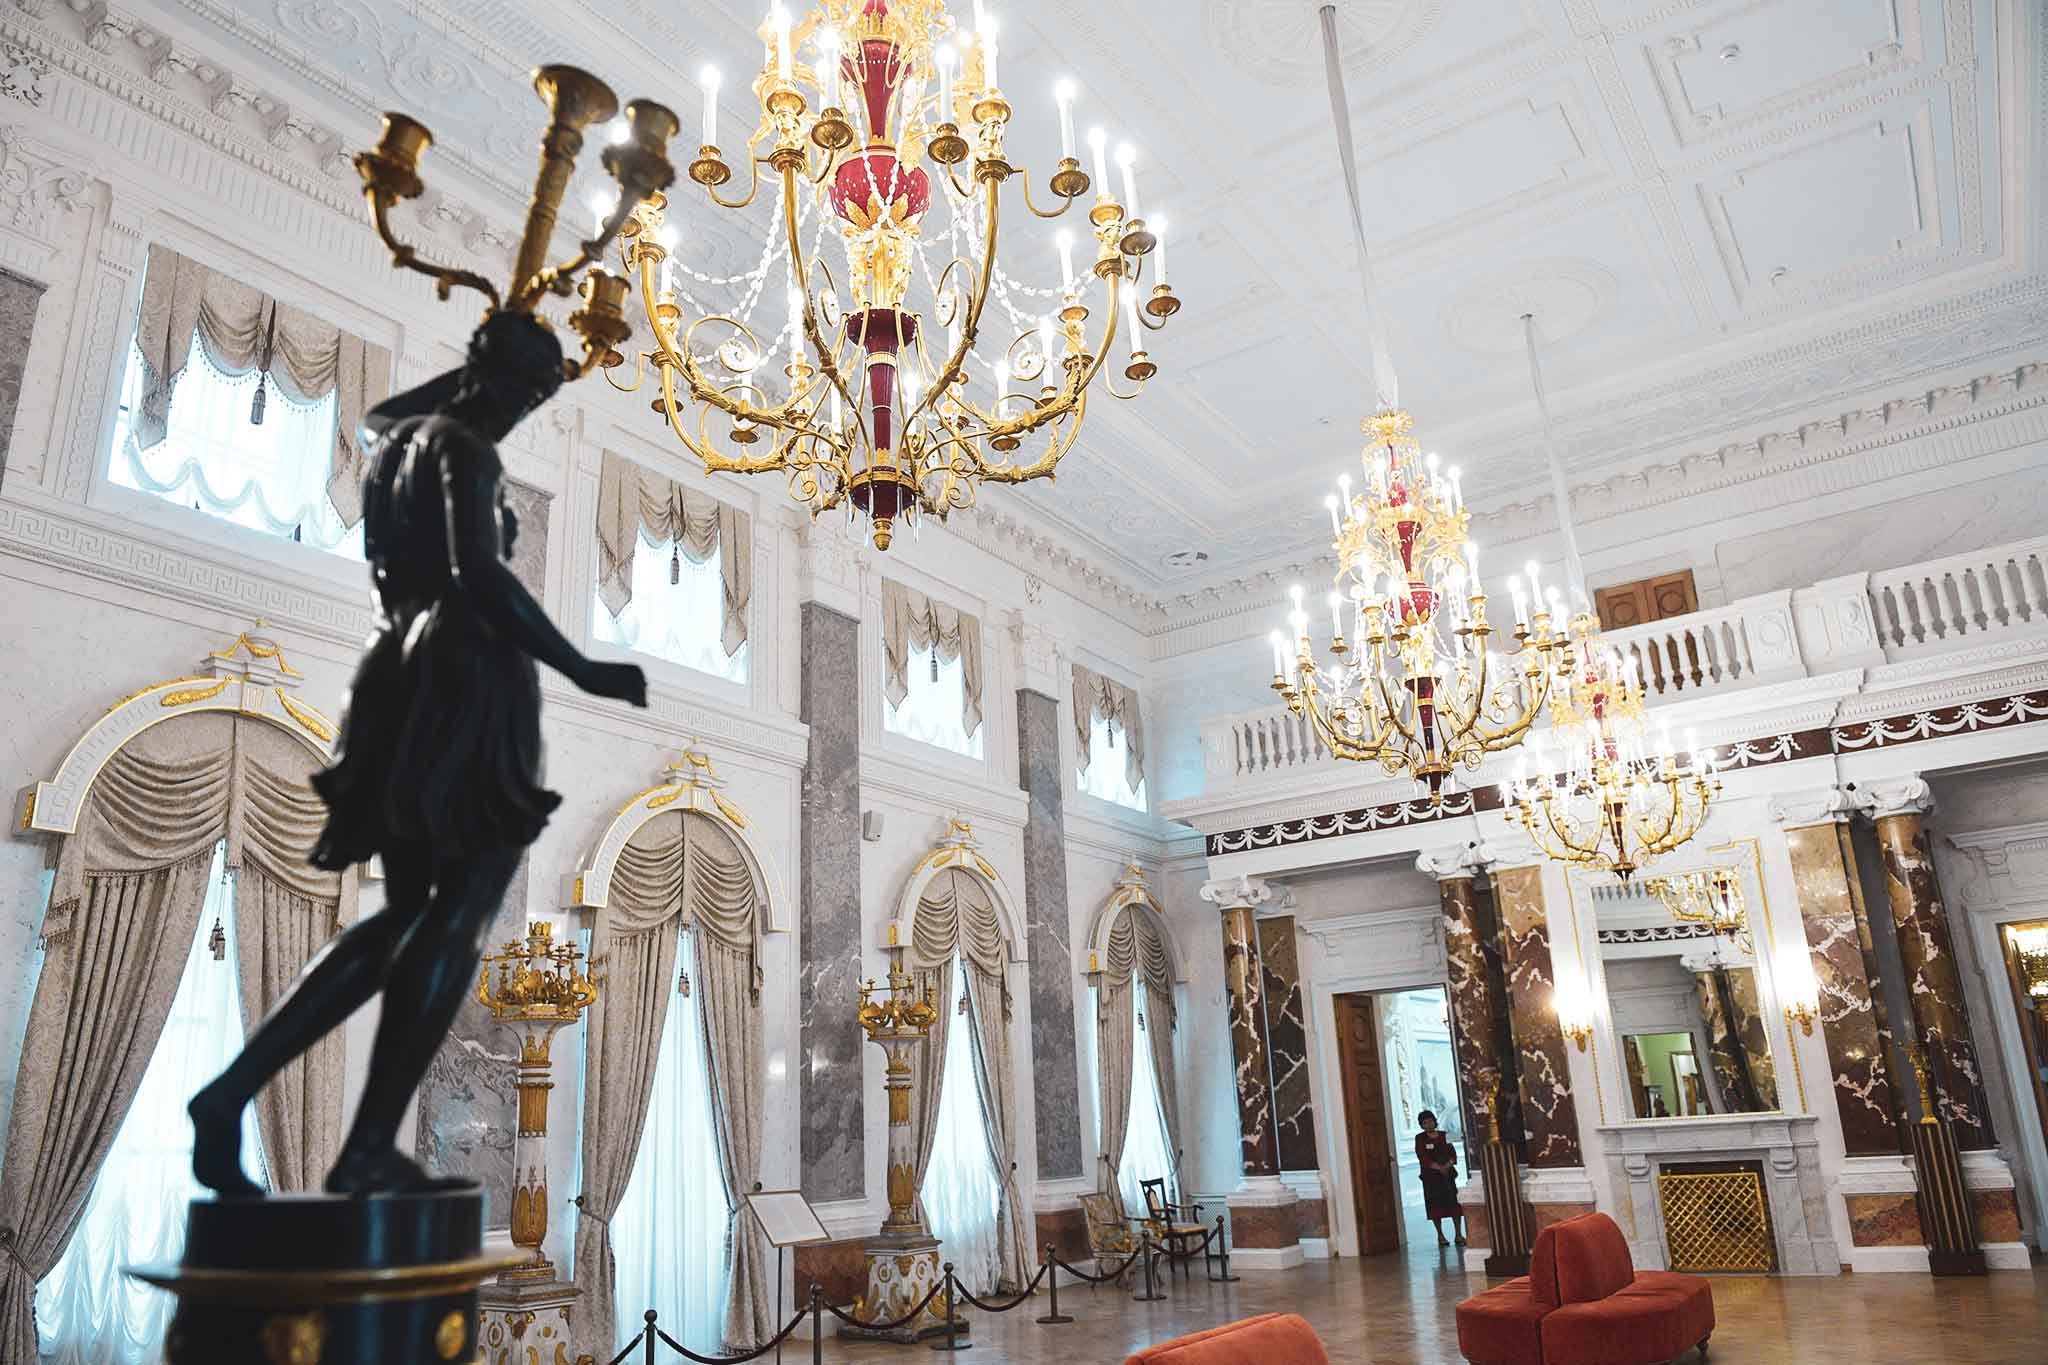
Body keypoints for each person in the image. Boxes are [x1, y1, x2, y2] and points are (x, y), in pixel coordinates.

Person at [188, 310, 648, 1197]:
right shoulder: (465, 453)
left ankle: (234, 1094)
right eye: (521, 393)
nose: (520, 412)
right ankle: (363, 1144)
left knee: (405, 916)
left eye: (534, 399)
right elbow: (480, 572)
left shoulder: (401, 441)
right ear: (492, 379)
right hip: (466, 677)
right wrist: (582, 666)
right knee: (459, 921)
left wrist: (482, 373)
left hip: (394, 678)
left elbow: (382, 413)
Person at [1415, 1109, 1465, 1247]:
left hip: (1447, 1176)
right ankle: (1440, 1235)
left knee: (1454, 1205)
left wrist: (1447, 1166)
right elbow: (1422, 1156)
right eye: (1425, 1123)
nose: (1428, 1124)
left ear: (1435, 1121)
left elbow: (1452, 1154)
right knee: (1435, 1207)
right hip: (1431, 1178)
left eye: (1430, 1121)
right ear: (1421, 1125)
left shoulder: (1444, 1135)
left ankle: (1458, 1234)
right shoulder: (1420, 1138)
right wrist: (1437, 1167)